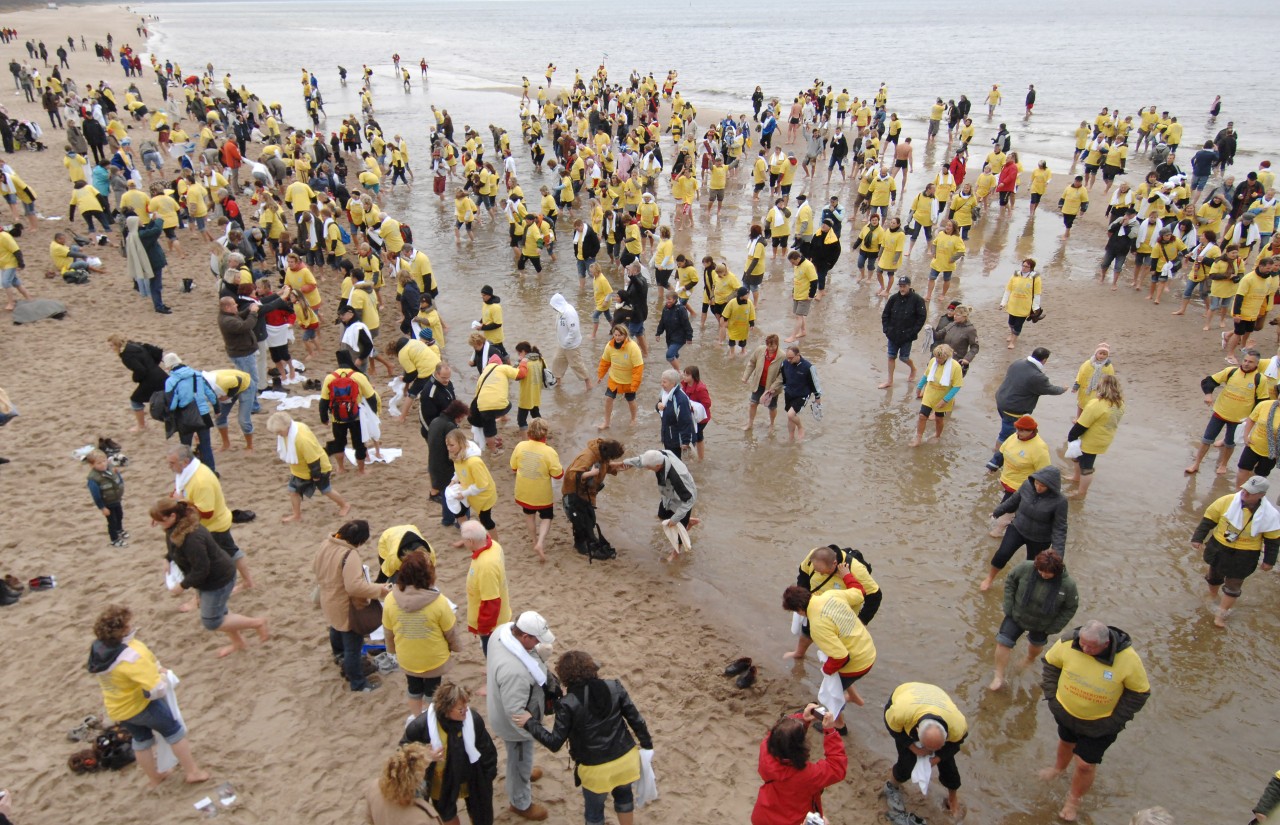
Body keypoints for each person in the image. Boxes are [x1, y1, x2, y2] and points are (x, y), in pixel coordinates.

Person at [515, 650, 654, 825]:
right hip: (626, 758)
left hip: (595, 770)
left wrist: (530, 723)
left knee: (594, 815)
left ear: (566, 678)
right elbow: (636, 720)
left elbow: (554, 742)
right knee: (625, 798)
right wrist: (647, 746)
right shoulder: (614, 686)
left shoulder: (567, 704)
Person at [1039, 620, 1150, 823]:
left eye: (1091, 646)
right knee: (1065, 742)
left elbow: (1139, 693)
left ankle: (1073, 801)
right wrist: (1053, 699)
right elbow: (1051, 665)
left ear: (1106, 644)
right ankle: (1059, 768)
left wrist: (1115, 721)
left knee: (1085, 765)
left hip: (1101, 724)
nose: (1085, 649)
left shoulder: (1127, 659)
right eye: (1082, 643)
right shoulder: (1067, 642)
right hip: (1065, 712)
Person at [87, 605, 210, 788]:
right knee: (174, 732)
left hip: (119, 708)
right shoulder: (131, 655)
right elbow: (156, 689)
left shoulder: (99, 650)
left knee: (141, 740)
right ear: (123, 630)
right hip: (142, 705)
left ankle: (154, 777)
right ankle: (193, 772)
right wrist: (163, 676)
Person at [150, 498, 268, 658]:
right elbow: (174, 547)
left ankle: (257, 623)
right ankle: (238, 642)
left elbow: (201, 569)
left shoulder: (192, 537)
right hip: (212, 578)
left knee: (212, 621)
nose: (156, 524)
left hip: (218, 580)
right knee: (221, 613)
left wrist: (182, 586)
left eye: (159, 520)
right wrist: (167, 559)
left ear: (172, 516)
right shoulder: (177, 527)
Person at [486, 612, 557, 822]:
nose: (538, 644)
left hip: (501, 703)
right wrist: (531, 733)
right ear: (524, 637)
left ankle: (524, 773)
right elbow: (516, 712)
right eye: (536, 640)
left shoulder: (502, 630)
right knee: (519, 759)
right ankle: (520, 803)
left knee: (522, 760)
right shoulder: (514, 671)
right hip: (515, 727)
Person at [401, 681, 499, 825]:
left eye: (466, 706)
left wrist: (487, 777)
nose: (465, 711)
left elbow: (487, 750)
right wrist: (425, 756)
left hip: (471, 776)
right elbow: (403, 751)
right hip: (441, 782)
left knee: (481, 814)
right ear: (446, 710)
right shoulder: (420, 726)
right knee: (446, 816)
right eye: (460, 709)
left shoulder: (473, 720)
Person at [781, 574, 876, 719]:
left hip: (857, 663)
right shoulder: (831, 595)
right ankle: (855, 698)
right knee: (838, 677)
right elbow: (859, 593)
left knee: (831, 694)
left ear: (800, 610)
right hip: (867, 649)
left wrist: (826, 671)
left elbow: (841, 657)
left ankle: (838, 724)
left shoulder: (817, 625)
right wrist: (847, 575)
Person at [1190, 476, 1280, 628]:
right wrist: (1198, 538)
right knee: (1214, 576)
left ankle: (1221, 613)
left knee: (1234, 585)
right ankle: (1213, 596)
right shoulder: (1226, 501)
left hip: (1245, 554)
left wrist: (1268, 561)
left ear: (1261, 495)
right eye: (1244, 489)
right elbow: (1208, 520)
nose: (1245, 493)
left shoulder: (1270, 515)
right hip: (1219, 548)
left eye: (1251, 492)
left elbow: (1273, 540)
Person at [314, 519, 389, 692]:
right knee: (353, 645)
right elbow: (354, 586)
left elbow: (314, 567)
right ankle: (358, 683)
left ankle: (338, 654)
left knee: (336, 627)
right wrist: (380, 590)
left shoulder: (326, 543)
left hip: (328, 598)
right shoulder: (350, 555)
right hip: (344, 605)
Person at [383, 550, 460, 717]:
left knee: (413, 688)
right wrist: (455, 647)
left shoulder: (390, 599)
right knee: (433, 691)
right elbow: (450, 631)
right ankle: (431, 720)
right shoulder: (438, 602)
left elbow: (388, 631)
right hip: (434, 657)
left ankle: (417, 717)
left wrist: (392, 650)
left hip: (407, 656)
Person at [989, 550, 1078, 691]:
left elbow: (1070, 608)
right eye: (1041, 571)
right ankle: (998, 676)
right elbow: (1010, 581)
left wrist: (1054, 627)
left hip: (1042, 623)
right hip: (1017, 614)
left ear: (1057, 571)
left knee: (1036, 645)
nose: (1043, 575)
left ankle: (1029, 659)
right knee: (1003, 642)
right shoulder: (1025, 568)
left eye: (1048, 573)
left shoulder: (1068, 585)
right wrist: (1008, 606)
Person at [750, 703, 845, 825]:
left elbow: (779, 734)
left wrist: (802, 719)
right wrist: (830, 731)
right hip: (793, 821)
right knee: (824, 822)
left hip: (763, 816)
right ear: (801, 747)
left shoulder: (766, 752)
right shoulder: (807, 775)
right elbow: (837, 767)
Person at [882, 683, 968, 816]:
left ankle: (952, 798)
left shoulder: (958, 726)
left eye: (935, 748)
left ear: (946, 736)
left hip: (937, 698)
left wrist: (938, 757)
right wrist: (913, 747)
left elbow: (956, 745)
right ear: (916, 731)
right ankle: (892, 786)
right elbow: (893, 728)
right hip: (907, 694)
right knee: (907, 762)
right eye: (927, 746)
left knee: (949, 765)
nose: (929, 751)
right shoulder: (899, 713)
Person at [785, 546, 880, 661]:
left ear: (834, 563)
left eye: (821, 571)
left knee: (839, 647)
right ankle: (799, 653)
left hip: (841, 616)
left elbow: (875, 595)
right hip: (816, 604)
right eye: (815, 569)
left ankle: (839, 668)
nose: (817, 573)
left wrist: (862, 620)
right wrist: (804, 600)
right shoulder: (814, 556)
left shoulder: (856, 569)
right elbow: (803, 573)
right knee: (808, 629)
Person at [982, 466, 1068, 591]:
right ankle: (990, 578)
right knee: (1002, 554)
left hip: (1040, 538)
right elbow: (1013, 501)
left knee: (1034, 566)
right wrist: (997, 511)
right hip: (1017, 528)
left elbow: (1060, 528)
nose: (1038, 487)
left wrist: (1057, 556)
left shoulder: (1060, 502)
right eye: (1037, 483)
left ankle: (1026, 587)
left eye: (1042, 486)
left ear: (1051, 486)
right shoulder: (1027, 485)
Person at [1186, 349, 1270, 475]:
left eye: (1250, 362)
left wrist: (1252, 419)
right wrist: (1208, 395)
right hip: (1219, 413)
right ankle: (1196, 464)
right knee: (1206, 440)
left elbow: (1262, 401)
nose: (1246, 364)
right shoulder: (1231, 371)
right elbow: (1209, 381)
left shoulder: (1260, 379)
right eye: (1245, 360)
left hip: (1238, 419)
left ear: (1257, 364)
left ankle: (1223, 464)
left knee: (1230, 444)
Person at [985, 348, 1067, 471]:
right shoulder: (1038, 377)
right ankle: (997, 458)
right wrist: (1063, 389)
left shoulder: (1017, 363)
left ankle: (1002, 450)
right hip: (1013, 409)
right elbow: (1050, 389)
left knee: (1008, 430)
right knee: (1006, 434)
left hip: (1001, 400)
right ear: (1044, 360)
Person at [265, 411, 350, 522]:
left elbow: (313, 459)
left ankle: (344, 505)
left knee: (326, 490)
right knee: (293, 491)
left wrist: (316, 475)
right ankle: (297, 515)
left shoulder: (301, 439)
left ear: (287, 426)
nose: (278, 435)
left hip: (318, 468)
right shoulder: (292, 429)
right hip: (299, 470)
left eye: (279, 432)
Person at [622, 449, 697, 560]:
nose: (647, 468)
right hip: (668, 494)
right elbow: (643, 459)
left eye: (649, 467)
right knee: (662, 516)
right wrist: (626, 462)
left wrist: (675, 519)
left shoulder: (677, 477)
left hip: (683, 498)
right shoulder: (661, 454)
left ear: (657, 466)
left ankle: (675, 553)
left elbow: (688, 501)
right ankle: (688, 521)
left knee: (675, 526)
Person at [509, 418, 562, 561]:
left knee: (529, 515)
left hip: (524, 491)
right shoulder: (549, 451)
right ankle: (540, 542)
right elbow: (558, 474)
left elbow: (513, 467)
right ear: (545, 433)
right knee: (546, 517)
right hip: (541, 494)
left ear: (529, 432)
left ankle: (533, 540)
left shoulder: (520, 446)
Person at [562, 439, 626, 555]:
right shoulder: (587, 457)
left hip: (586, 493)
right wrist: (591, 473)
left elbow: (605, 466)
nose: (610, 460)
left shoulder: (601, 455)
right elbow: (572, 475)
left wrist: (618, 466)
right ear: (607, 454)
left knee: (590, 520)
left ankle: (585, 539)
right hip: (574, 492)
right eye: (611, 458)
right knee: (580, 520)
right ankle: (580, 545)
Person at [1066, 374, 1124, 499]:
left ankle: (1081, 492)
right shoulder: (1119, 404)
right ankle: (1076, 478)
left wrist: (1071, 436)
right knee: (1077, 458)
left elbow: (1082, 425)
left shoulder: (1096, 404)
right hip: (1105, 438)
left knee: (1086, 467)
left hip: (1091, 440)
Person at [160, 353, 219, 471]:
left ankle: (190, 471)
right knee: (206, 445)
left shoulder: (171, 381)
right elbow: (210, 393)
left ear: (168, 367)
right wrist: (217, 409)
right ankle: (211, 471)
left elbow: (172, 404)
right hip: (203, 414)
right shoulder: (197, 374)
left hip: (185, 417)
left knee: (185, 448)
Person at [363, 744, 445, 825]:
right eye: (422, 775)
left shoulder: (375, 788)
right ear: (413, 781)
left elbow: (370, 820)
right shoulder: (421, 818)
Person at [912, 343, 964, 447]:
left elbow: (957, 386)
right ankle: (918, 438)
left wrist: (945, 400)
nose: (937, 360)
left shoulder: (956, 367)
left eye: (939, 358)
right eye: (936, 357)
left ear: (947, 357)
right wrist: (919, 387)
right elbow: (926, 375)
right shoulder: (933, 361)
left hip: (943, 396)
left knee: (939, 418)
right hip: (930, 394)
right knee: (922, 416)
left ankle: (937, 435)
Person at [879, 276, 927, 388]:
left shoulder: (917, 300)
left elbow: (921, 318)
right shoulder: (893, 298)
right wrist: (886, 329)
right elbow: (885, 314)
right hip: (893, 334)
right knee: (891, 356)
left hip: (907, 335)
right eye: (900, 286)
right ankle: (889, 381)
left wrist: (912, 333)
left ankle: (913, 369)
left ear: (909, 286)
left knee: (904, 357)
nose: (902, 289)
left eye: (904, 286)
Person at [428, 401, 469, 528]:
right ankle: (461, 522)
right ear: (459, 415)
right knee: (457, 494)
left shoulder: (435, 421)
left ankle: (447, 520)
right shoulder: (450, 426)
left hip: (434, 463)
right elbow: (457, 448)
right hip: (447, 466)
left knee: (445, 494)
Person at [594, 324, 644, 430]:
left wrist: (635, 384)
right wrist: (600, 375)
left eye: (620, 335)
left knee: (630, 400)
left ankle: (634, 418)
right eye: (615, 335)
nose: (617, 337)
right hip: (614, 379)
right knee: (608, 399)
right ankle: (606, 422)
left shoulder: (633, 347)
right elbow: (605, 362)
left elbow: (638, 368)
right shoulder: (609, 345)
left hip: (628, 381)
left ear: (625, 335)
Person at [775, 345, 821, 442]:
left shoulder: (808, 367)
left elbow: (815, 382)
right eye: (787, 357)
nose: (788, 360)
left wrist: (817, 397)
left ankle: (800, 427)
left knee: (791, 415)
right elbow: (783, 378)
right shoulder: (785, 363)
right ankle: (791, 438)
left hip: (802, 395)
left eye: (791, 358)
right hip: (789, 393)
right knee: (790, 417)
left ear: (798, 355)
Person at [742, 334, 784, 432]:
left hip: (772, 387)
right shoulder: (760, 350)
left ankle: (772, 424)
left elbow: (783, 375)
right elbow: (752, 363)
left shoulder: (782, 356)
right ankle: (750, 423)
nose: (770, 348)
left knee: (772, 407)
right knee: (753, 403)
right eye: (768, 346)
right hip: (759, 383)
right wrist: (745, 376)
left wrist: (773, 388)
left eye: (773, 346)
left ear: (777, 345)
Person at [86, 448, 127, 546]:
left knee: (119, 515)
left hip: (116, 499)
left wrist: (120, 482)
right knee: (112, 521)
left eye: (104, 461)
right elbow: (96, 495)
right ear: (92, 465)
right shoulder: (93, 478)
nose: (103, 464)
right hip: (107, 503)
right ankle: (114, 540)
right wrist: (102, 507)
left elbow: (118, 478)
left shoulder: (111, 469)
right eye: (99, 463)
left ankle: (119, 530)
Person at [549, 292, 591, 389]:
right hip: (562, 344)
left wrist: (567, 341)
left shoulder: (569, 312)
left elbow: (574, 330)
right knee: (557, 361)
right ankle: (558, 383)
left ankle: (588, 383)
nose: (553, 308)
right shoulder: (560, 312)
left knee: (576, 364)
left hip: (571, 345)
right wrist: (562, 341)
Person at [1000, 258, 1042, 349]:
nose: (1024, 268)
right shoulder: (1015, 276)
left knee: (1018, 324)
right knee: (1011, 322)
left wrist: (1035, 308)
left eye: (1027, 266)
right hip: (1013, 304)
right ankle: (1011, 334)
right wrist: (1003, 302)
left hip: (1024, 306)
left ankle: (1013, 341)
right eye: (1023, 265)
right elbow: (1008, 290)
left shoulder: (1035, 279)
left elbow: (1037, 294)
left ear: (1031, 268)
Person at [655, 370, 694, 455]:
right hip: (667, 434)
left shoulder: (681, 399)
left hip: (676, 439)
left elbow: (686, 421)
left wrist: (685, 442)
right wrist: (658, 406)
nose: (662, 384)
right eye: (661, 381)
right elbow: (660, 407)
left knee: (675, 462)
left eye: (664, 382)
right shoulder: (664, 393)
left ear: (673, 383)